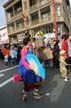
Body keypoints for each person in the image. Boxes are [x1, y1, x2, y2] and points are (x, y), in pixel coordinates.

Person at [18, 33, 45, 101]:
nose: (31, 42)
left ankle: (35, 93)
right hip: (28, 68)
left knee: (38, 79)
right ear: (28, 42)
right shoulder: (23, 50)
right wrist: (29, 66)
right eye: (30, 41)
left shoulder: (30, 47)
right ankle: (24, 94)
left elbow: (33, 56)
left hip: (34, 65)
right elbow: (23, 60)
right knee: (29, 82)